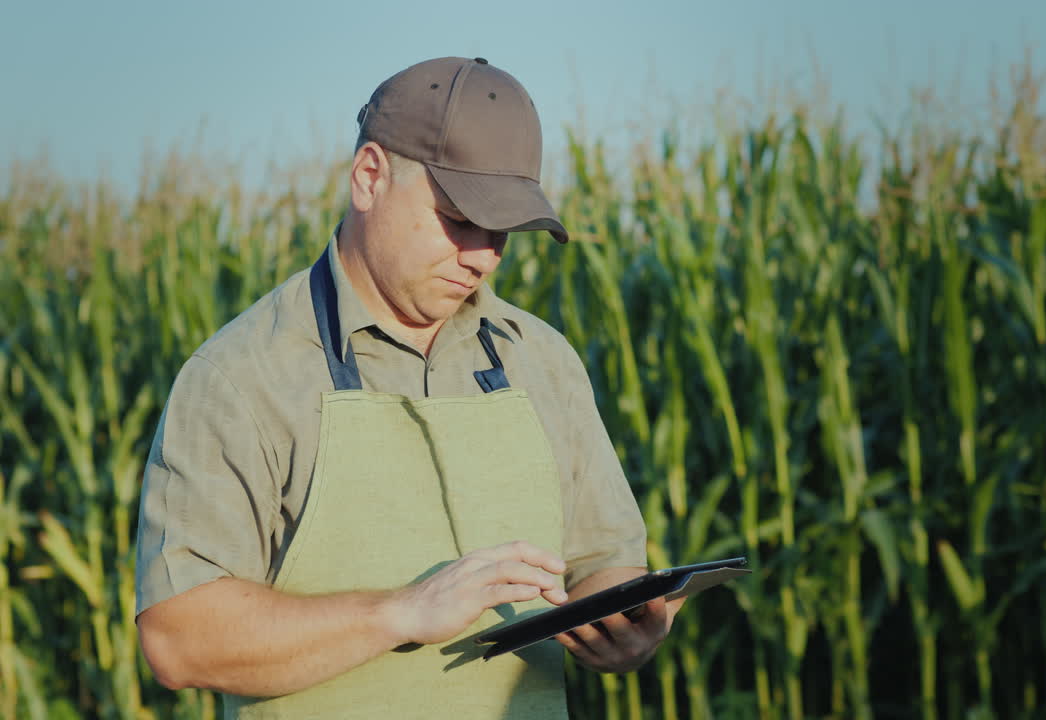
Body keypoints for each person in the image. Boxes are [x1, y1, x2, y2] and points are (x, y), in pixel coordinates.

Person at [134, 56, 680, 719]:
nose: (482, 255)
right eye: (459, 217)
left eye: (502, 228)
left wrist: (626, 626)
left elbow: (604, 560)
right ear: (370, 177)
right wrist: (402, 612)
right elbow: (179, 638)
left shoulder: (542, 360)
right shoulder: (242, 377)